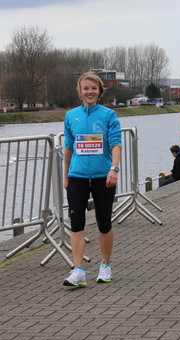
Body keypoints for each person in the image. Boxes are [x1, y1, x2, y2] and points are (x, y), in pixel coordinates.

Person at [63, 72, 122, 287]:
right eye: (86, 88)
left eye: (94, 88)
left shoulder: (108, 115)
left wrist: (113, 169)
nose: (90, 92)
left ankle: (105, 265)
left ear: (99, 91)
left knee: (103, 222)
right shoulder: (71, 116)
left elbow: (116, 144)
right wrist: (66, 174)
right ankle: (78, 270)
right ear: (80, 91)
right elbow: (69, 147)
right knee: (76, 222)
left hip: (102, 176)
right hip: (77, 175)